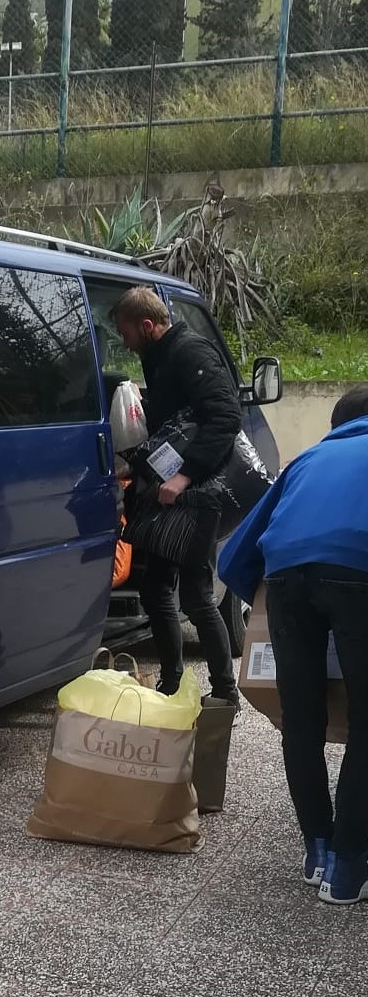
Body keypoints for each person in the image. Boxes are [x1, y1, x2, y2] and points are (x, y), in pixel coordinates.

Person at [219, 385, 368, 905]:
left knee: (301, 719)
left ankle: (318, 850)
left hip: (285, 579)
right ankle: (349, 869)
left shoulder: (307, 460)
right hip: (357, 571)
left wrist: (266, 609)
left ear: (336, 424)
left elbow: (235, 555)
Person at [112, 286, 241, 705]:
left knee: (197, 596)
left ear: (148, 325)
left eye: (127, 334)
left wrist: (185, 477)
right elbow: (174, 422)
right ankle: (170, 685)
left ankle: (225, 693)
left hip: (199, 493)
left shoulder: (190, 352)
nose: (125, 343)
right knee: (154, 590)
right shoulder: (159, 356)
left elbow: (225, 417)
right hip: (171, 491)